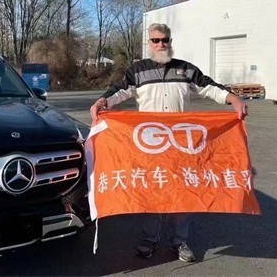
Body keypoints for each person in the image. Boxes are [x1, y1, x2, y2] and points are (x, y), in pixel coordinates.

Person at [89, 23, 248, 263]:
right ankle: (149, 239)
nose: (161, 44)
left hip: (181, 146)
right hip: (149, 146)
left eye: (165, 40)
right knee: (150, 193)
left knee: (183, 193)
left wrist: (233, 99)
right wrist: (102, 102)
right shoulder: (138, 70)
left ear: (170, 42)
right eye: (156, 40)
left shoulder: (185, 69)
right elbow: (120, 90)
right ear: (149, 43)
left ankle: (179, 241)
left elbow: (209, 87)